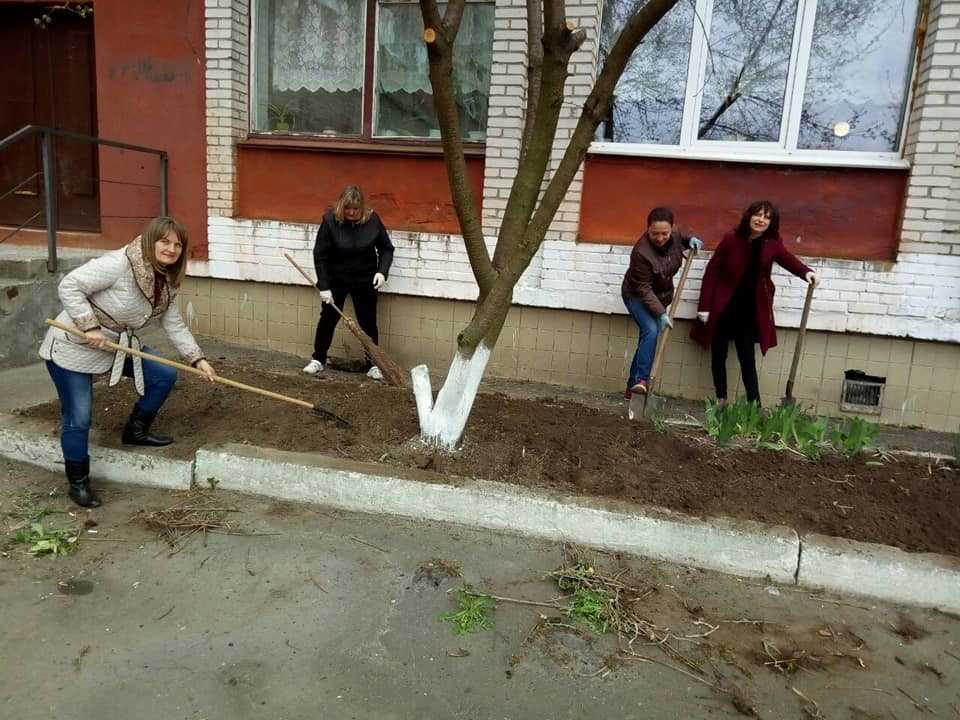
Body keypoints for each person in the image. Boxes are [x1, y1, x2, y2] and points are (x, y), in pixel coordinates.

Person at [38, 217, 217, 508]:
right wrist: (89, 326)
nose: (171, 249)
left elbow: (173, 323)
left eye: (177, 245)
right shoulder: (119, 264)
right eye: (164, 241)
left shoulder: (165, 280)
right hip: (74, 345)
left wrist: (198, 359)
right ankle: (78, 482)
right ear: (150, 241)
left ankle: (135, 431)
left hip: (115, 346)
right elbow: (70, 285)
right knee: (79, 416)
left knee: (163, 374)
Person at [691, 200, 816, 407]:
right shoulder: (731, 239)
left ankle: (754, 405)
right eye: (758, 215)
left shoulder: (772, 243)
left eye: (767, 217)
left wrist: (806, 272)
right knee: (718, 354)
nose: (761, 220)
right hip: (724, 306)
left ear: (771, 222)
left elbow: (787, 259)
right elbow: (712, 271)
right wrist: (704, 307)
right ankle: (721, 399)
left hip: (748, 310)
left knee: (747, 358)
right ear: (749, 216)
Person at [303, 185, 394, 380]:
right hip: (336, 279)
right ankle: (318, 359)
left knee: (368, 321)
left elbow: (386, 249)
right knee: (328, 318)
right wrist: (324, 286)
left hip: (365, 279)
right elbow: (320, 255)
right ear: (341, 207)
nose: (351, 212)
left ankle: (373, 364)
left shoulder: (372, 220)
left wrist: (382, 272)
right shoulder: (330, 221)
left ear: (362, 207)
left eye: (355, 209)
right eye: (347, 208)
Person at [621, 207, 703, 397]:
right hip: (636, 295)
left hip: (660, 297)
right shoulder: (641, 253)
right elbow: (643, 288)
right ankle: (641, 381)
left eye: (664, 233)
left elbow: (681, 239)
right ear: (648, 229)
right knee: (650, 331)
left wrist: (690, 240)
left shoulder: (674, 234)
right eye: (655, 234)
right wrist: (661, 313)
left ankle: (632, 387)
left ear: (672, 228)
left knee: (648, 338)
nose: (660, 238)